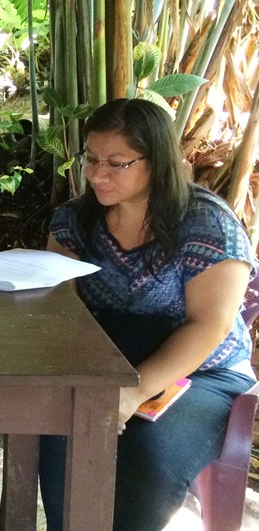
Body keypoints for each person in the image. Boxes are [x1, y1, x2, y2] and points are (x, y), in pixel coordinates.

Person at [39, 98, 256, 530]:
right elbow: (58, 310)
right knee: (63, 440)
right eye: (92, 159)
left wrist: (133, 393)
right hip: (102, 364)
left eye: (117, 163)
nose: (98, 174)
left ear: (157, 161)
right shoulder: (74, 221)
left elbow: (208, 325)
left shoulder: (207, 225)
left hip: (201, 373)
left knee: (146, 456)